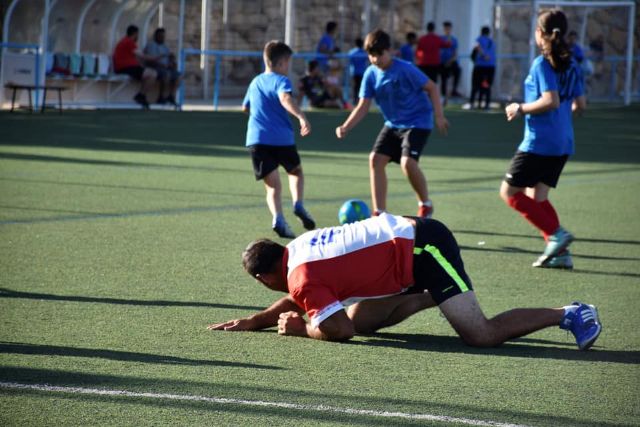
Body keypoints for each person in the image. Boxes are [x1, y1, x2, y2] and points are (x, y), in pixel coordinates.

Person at [208, 213, 601, 351]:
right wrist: (256, 320)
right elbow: (307, 300)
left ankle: (570, 313)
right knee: (361, 319)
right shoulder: (298, 250)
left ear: (263, 278)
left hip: (424, 249)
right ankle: (435, 295)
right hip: (409, 249)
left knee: (480, 334)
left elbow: (338, 330)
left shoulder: (300, 278)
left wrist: (302, 331)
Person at [502, 9, 586, 268]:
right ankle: (561, 255)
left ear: (540, 33)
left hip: (539, 142)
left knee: (509, 193)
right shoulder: (572, 64)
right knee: (537, 197)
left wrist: (520, 107)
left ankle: (557, 235)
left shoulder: (542, 63)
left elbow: (550, 100)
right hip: (563, 142)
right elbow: (580, 105)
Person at [335, 29, 449, 218]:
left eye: (380, 54)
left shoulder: (405, 68)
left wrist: (439, 116)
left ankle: (425, 204)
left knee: (407, 163)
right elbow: (363, 105)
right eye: (372, 55)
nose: (376, 59)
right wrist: (346, 126)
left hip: (417, 122)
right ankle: (379, 212)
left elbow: (432, 87)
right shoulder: (370, 74)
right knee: (375, 159)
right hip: (393, 124)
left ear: (390, 51)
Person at [242, 41, 316, 239]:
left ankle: (278, 219)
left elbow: (245, 107)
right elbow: (285, 99)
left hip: (257, 139)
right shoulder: (281, 80)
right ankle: (298, 204)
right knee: (296, 172)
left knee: (273, 185)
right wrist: (301, 117)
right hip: (281, 139)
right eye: (288, 63)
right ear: (283, 62)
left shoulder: (255, 82)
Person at [112, 25, 159, 109]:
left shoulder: (124, 41)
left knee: (150, 73)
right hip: (126, 68)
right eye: (137, 34)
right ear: (135, 33)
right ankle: (141, 95)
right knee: (153, 73)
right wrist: (155, 58)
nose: (138, 36)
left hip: (127, 67)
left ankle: (141, 95)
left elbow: (135, 58)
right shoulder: (129, 42)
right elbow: (141, 55)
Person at [144, 28, 181, 106]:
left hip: (165, 68)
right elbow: (152, 60)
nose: (162, 38)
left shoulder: (165, 46)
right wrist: (164, 65)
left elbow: (168, 57)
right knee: (166, 74)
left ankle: (171, 96)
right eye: (160, 36)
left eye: (163, 36)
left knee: (178, 75)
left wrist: (172, 60)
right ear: (156, 36)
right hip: (155, 67)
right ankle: (161, 97)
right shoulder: (151, 45)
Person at [469, 26, 496, 109]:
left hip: (480, 66)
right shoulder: (492, 41)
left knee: (475, 85)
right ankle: (486, 104)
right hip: (491, 67)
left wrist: (483, 55)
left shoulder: (479, 39)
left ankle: (472, 104)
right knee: (486, 85)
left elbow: (477, 47)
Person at [439, 21, 462, 101]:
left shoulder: (454, 40)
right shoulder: (440, 39)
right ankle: (443, 96)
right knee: (443, 78)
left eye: (448, 28)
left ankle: (454, 90)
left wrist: (450, 61)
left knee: (458, 70)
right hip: (442, 62)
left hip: (451, 62)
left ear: (451, 29)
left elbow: (455, 53)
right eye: (446, 28)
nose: (447, 30)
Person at [348, 38, 368, 105]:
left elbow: (350, 62)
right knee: (361, 88)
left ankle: (355, 101)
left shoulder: (352, 52)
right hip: (361, 73)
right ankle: (359, 102)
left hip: (355, 73)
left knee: (355, 88)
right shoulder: (363, 52)